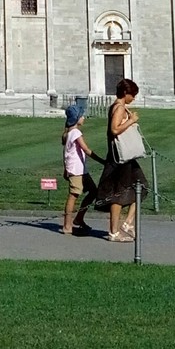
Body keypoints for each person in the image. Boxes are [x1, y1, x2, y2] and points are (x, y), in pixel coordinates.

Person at [94, 77, 145, 243]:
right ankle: (114, 231)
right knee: (118, 193)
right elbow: (114, 129)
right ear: (125, 93)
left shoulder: (118, 106)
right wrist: (131, 121)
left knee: (141, 186)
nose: (134, 98)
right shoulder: (119, 108)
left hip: (123, 156)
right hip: (121, 156)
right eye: (132, 94)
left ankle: (127, 223)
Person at [62, 107, 94, 237]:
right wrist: (102, 160)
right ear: (76, 119)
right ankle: (67, 225)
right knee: (73, 195)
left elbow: (65, 153)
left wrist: (65, 168)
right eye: (82, 116)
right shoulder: (75, 133)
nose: (84, 118)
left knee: (93, 191)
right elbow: (86, 149)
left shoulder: (69, 133)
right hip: (76, 170)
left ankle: (79, 218)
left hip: (80, 169)